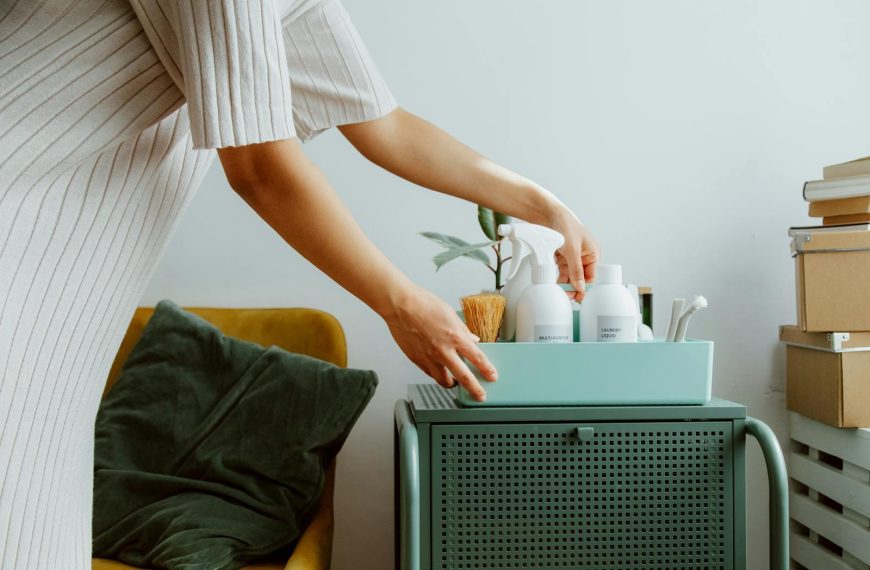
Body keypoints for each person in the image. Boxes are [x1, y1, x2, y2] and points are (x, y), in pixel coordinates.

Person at [0, 0, 599, 567]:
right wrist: (400, 303)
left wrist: (544, 206)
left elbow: (381, 125)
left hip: (53, 281)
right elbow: (260, 166)